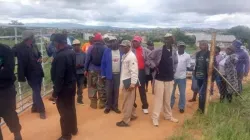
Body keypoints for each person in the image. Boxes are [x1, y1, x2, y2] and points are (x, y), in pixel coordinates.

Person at [13, 30, 46, 119]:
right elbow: (10, 54)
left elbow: (39, 54)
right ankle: (41, 110)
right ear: (28, 38)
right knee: (36, 91)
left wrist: (40, 58)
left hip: (38, 71)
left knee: (37, 90)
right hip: (30, 73)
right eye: (32, 37)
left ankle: (34, 107)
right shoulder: (18, 47)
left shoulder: (34, 46)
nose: (34, 38)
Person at [50, 34, 78, 140]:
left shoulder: (60, 56)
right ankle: (73, 129)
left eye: (54, 42)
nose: (54, 44)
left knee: (63, 111)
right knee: (71, 108)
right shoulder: (71, 52)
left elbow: (59, 76)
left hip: (64, 88)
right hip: (71, 85)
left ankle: (66, 135)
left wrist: (55, 92)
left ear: (58, 43)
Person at [148, 33, 179, 127]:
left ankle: (168, 116)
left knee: (167, 99)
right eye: (166, 39)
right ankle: (155, 118)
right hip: (159, 78)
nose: (167, 40)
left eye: (169, 39)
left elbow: (176, 62)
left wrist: (173, 71)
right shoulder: (158, 50)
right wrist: (154, 66)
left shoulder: (174, 51)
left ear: (172, 40)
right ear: (164, 40)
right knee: (158, 99)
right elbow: (149, 58)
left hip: (170, 79)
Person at [0, 44, 22, 140]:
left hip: (5, 90)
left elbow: (8, 72)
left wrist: (3, 71)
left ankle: (17, 136)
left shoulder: (5, 50)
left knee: (10, 115)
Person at [116, 40, 138, 127]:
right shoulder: (126, 55)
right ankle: (133, 115)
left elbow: (134, 71)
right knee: (130, 101)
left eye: (123, 46)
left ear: (129, 47)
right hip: (126, 81)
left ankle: (125, 121)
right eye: (121, 46)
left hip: (128, 83)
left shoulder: (131, 57)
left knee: (127, 102)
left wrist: (133, 83)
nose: (121, 47)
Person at [85, 33, 106, 109]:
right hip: (101, 70)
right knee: (101, 86)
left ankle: (93, 103)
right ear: (101, 40)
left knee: (92, 86)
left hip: (91, 70)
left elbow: (87, 59)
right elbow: (106, 61)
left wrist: (85, 69)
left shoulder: (91, 47)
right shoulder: (105, 48)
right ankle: (102, 103)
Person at [101, 36, 122, 114]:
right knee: (109, 91)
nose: (112, 43)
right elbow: (103, 63)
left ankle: (115, 106)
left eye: (113, 41)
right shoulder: (107, 51)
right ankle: (108, 106)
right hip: (109, 74)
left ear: (116, 42)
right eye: (111, 41)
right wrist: (103, 74)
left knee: (116, 91)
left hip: (118, 75)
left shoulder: (121, 51)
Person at [131, 35, 150, 114]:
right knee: (132, 90)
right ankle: (133, 105)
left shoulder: (144, 50)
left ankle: (145, 106)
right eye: (134, 41)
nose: (134, 43)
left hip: (141, 72)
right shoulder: (130, 50)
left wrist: (148, 63)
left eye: (136, 41)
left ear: (140, 42)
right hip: (133, 72)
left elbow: (150, 57)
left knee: (142, 90)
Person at [171, 42, 191, 113]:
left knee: (182, 93)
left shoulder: (187, 56)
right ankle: (170, 105)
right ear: (177, 47)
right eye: (180, 46)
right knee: (171, 92)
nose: (181, 48)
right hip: (173, 77)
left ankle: (181, 107)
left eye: (182, 47)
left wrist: (192, 68)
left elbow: (188, 66)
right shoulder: (174, 54)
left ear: (184, 48)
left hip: (182, 77)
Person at [194, 41, 210, 113]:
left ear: (207, 46)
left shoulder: (209, 54)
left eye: (203, 45)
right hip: (198, 76)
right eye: (200, 45)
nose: (201, 46)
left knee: (202, 93)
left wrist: (210, 76)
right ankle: (201, 108)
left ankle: (201, 109)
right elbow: (196, 64)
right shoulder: (198, 54)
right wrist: (195, 72)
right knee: (201, 92)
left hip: (205, 76)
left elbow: (212, 65)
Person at [72, 39, 86, 105]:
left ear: (80, 45)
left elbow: (86, 63)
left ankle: (79, 99)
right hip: (73, 73)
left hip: (81, 73)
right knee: (72, 87)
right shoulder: (70, 54)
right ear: (73, 46)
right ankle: (71, 99)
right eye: (75, 45)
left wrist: (81, 65)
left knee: (80, 87)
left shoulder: (83, 53)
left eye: (78, 45)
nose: (76, 46)